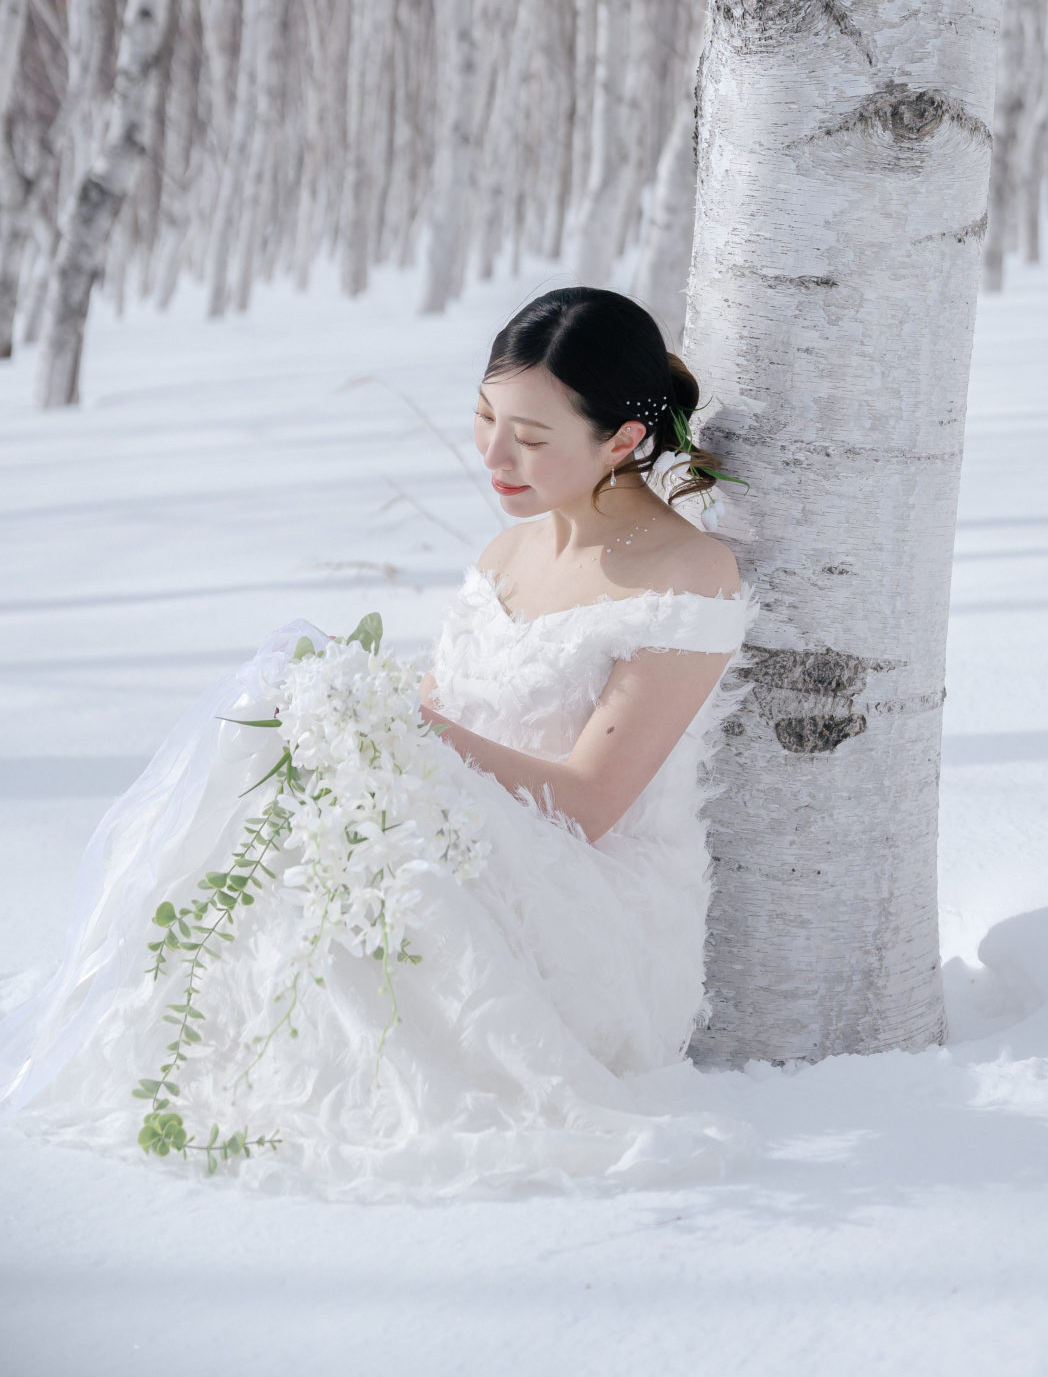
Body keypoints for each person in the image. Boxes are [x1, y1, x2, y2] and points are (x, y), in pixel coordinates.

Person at [0, 289, 752, 1196]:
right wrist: (353, 718)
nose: (493, 455)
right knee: (267, 780)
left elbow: (589, 805)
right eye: (484, 417)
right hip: (464, 821)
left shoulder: (687, 573)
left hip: (586, 896)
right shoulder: (505, 554)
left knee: (393, 887)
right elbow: (441, 711)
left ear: (622, 440)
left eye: (529, 436)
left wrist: (409, 733)